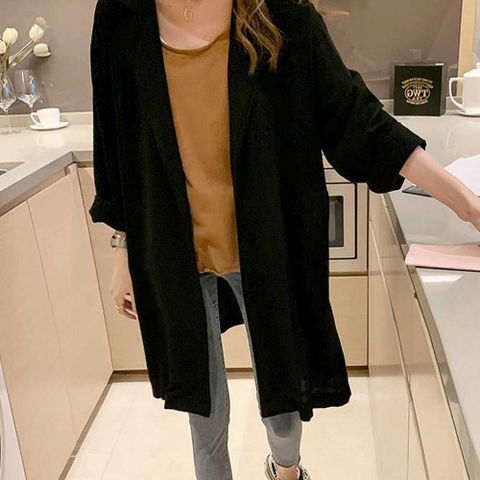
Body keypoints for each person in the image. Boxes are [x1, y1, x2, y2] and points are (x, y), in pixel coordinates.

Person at [89, 0, 480, 479]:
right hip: (171, 247)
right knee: (201, 399)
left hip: (267, 241)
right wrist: (124, 248)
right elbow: (115, 143)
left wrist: (466, 203)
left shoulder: (279, 13)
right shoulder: (121, 16)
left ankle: (286, 469)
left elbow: (355, 118)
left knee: (283, 387)